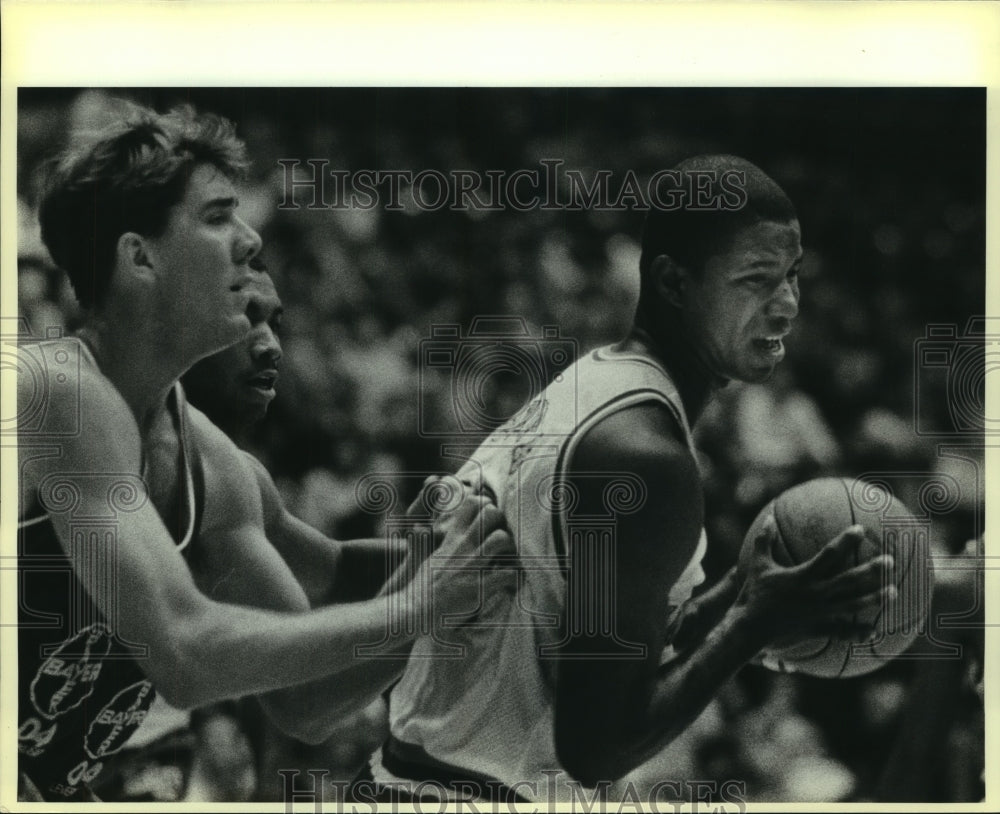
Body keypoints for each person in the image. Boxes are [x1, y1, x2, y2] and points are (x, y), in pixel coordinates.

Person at [16, 103, 508, 802]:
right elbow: (185, 654)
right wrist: (419, 604)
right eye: (217, 217)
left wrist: (460, 565)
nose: (250, 240)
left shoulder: (213, 468)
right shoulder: (56, 394)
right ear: (139, 256)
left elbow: (304, 702)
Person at [375, 155, 895, 803]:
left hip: (425, 781)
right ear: (674, 283)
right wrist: (755, 624)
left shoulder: (599, 383)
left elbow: (603, 639)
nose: (787, 304)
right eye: (756, 279)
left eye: (792, 276)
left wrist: (739, 591)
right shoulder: (644, 457)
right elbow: (594, 748)